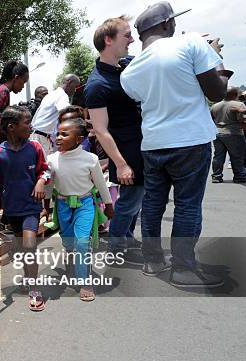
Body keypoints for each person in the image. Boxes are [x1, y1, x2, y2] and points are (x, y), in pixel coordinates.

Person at [120, 1, 230, 288]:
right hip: (190, 141)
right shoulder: (191, 43)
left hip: (153, 143)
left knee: (153, 204)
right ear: (167, 24)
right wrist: (215, 56)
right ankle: (182, 269)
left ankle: (152, 260)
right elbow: (217, 92)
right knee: (187, 205)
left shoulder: (128, 72)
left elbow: (144, 97)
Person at [85, 15, 145, 266]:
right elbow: (100, 129)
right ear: (108, 40)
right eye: (127, 35)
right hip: (126, 151)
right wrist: (121, 164)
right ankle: (117, 247)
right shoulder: (96, 85)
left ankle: (127, 240)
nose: (132, 40)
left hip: (140, 145)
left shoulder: (127, 65)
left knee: (135, 200)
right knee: (131, 199)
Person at [0, 106, 51, 311]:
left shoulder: (35, 148)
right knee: (22, 247)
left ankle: (34, 289)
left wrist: (41, 181)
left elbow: (46, 171)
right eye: (27, 123)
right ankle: (28, 277)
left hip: (31, 207)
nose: (31, 126)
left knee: (30, 244)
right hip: (11, 211)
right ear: (12, 127)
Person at [47, 118, 114, 301]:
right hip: (62, 205)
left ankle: (85, 281)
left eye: (64, 134)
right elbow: (48, 185)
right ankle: (70, 258)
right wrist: (45, 207)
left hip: (85, 205)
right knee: (69, 244)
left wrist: (108, 206)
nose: (58, 137)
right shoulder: (52, 159)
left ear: (79, 139)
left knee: (83, 242)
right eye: (58, 133)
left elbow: (101, 185)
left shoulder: (90, 159)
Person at [31, 74, 81, 158]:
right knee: (46, 167)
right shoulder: (62, 95)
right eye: (75, 86)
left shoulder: (52, 94)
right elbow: (67, 114)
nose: (75, 90)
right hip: (41, 138)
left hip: (37, 135)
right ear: (69, 82)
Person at [210, 87, 246, 183]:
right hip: (234, 133)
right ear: (236, 95)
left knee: (218, 156)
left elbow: (211, 120)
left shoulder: (215, 106)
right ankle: (240, 176)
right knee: (237, 156)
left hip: (218, 133)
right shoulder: (239, 105)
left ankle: (216, 176)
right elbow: (243, 121)